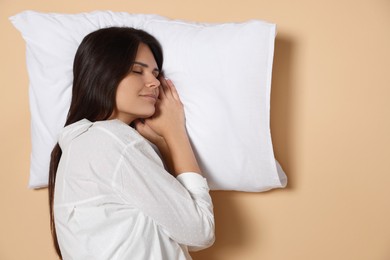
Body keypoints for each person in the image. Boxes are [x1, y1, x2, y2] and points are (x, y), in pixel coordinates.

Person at [48, 27, 215, 260]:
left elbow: (180, 229)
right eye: (138, 71)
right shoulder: (111, 142)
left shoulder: (81, 144)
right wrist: (175, 132)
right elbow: (200, 231)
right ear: (101, 74)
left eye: (156, 74)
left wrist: (161, 145)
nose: (155, 83)